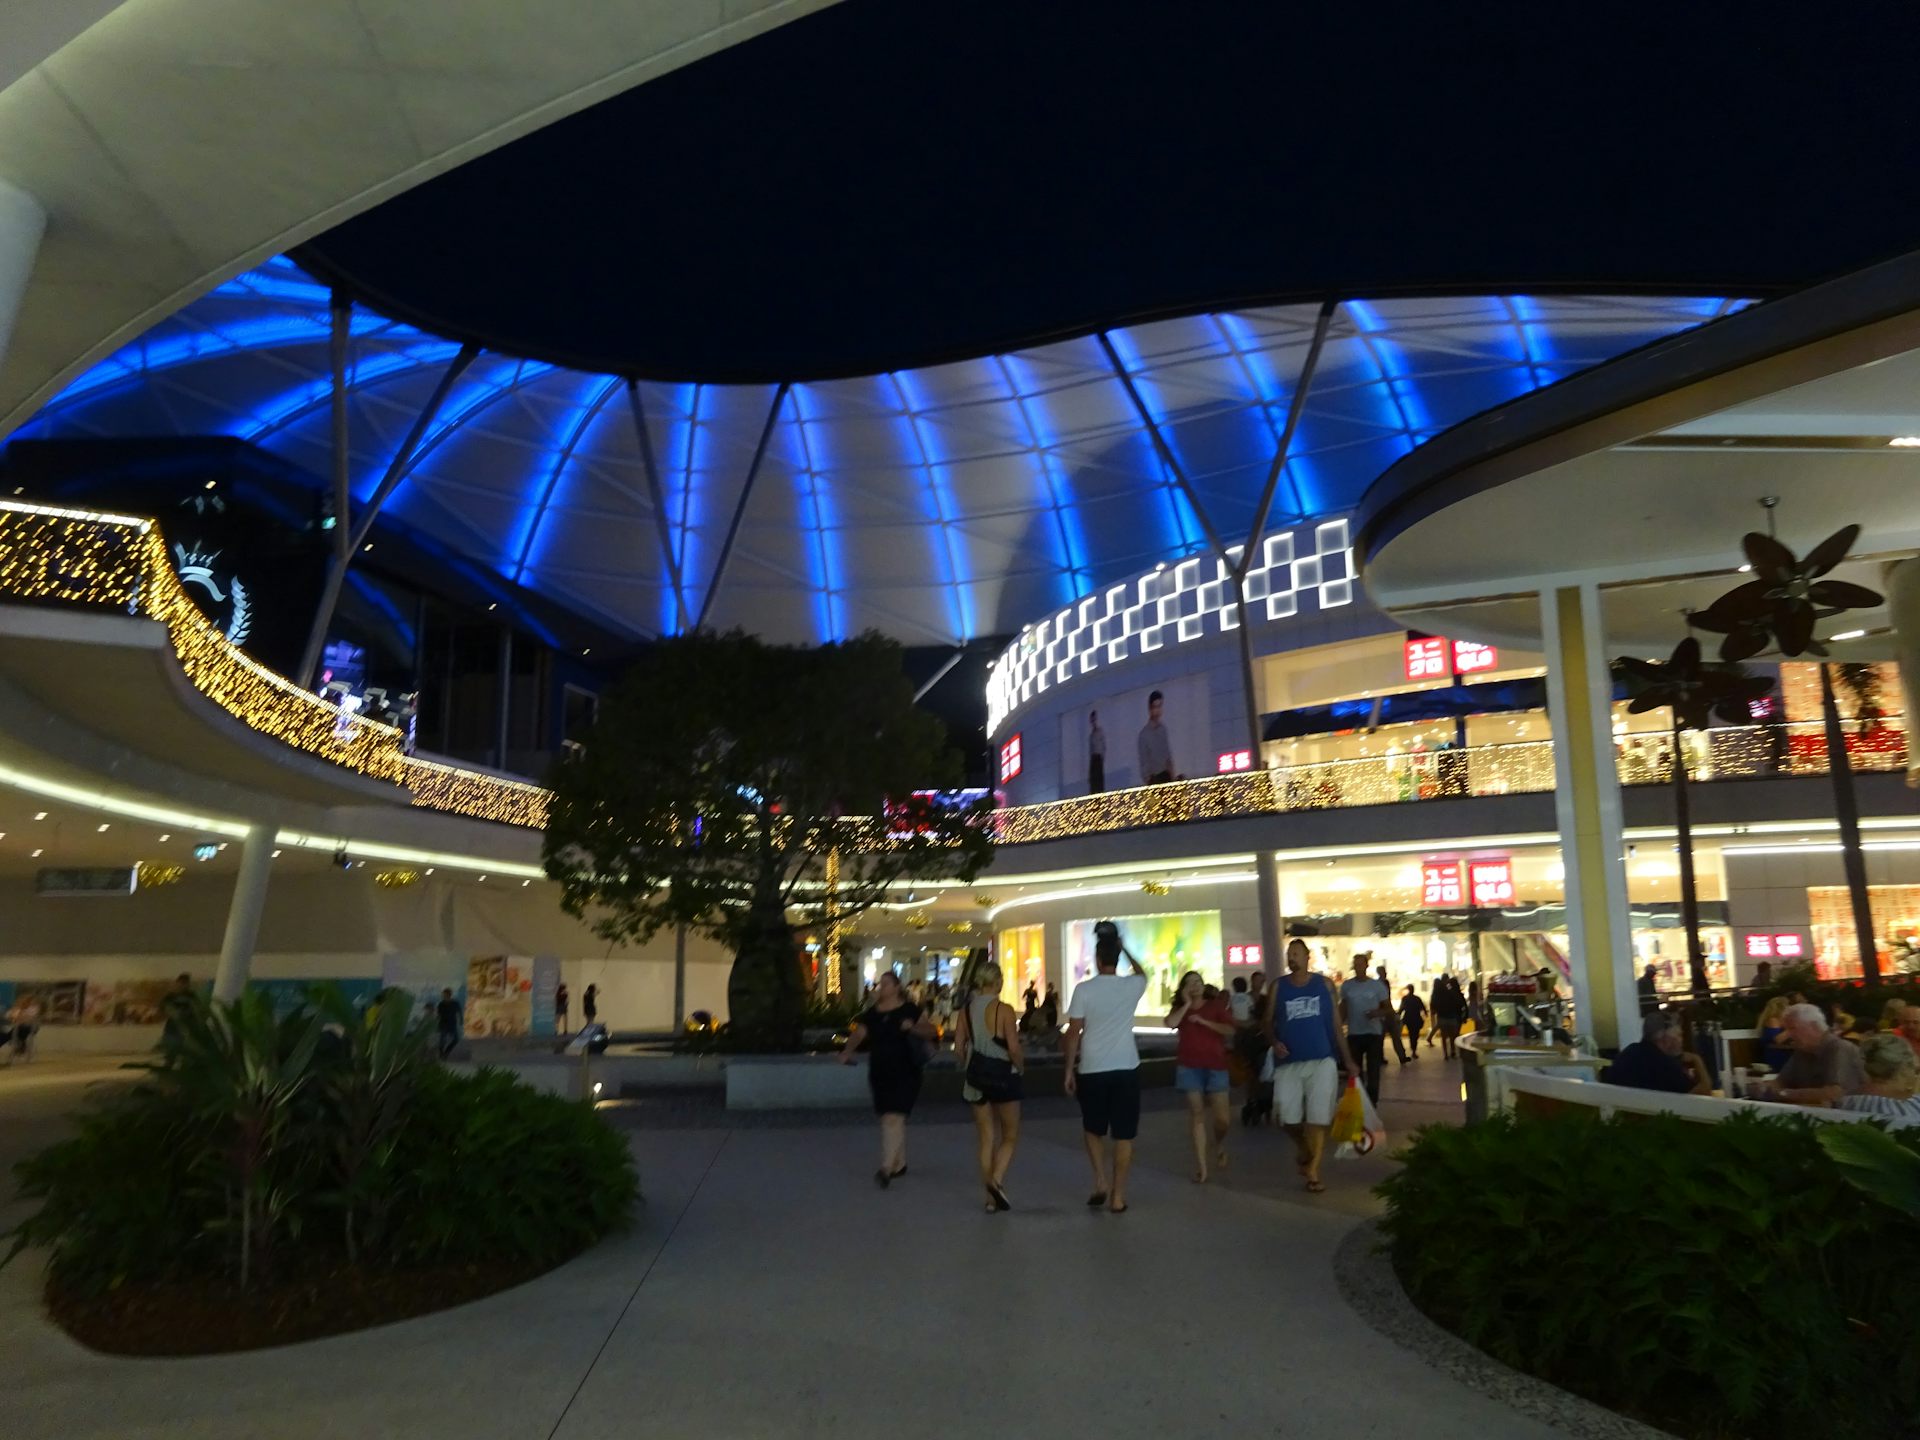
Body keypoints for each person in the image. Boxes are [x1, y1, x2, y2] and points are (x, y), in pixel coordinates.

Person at [1063, 921, 1148, 1213]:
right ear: (1117, 957)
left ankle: (1100, 1179)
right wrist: (1126, 950)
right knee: (1124, 1134)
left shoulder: (1083, 990)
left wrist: (1068, 1070)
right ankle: (1118, 1196)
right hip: (1127, 1067)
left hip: (1092, 1068)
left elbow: (1073, 1033)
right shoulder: (1132, 986)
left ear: (1097, 960)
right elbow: (1143, 973)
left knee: (1092, 1127)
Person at [1270, 938, 1354, 1194]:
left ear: (1308, 957)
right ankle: (1304, 1148)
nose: (1292, 958)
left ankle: (1313, 1171)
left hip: (1322, 1059)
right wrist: (1274, 1041)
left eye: (1297, 953)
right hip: (1289, 1062)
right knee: (1287, 1117)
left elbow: (1336, 1026)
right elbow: (1266, 1021)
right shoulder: (1278, 987)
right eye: (1289, 954)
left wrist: (1348, 1059)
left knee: (1318, 1117)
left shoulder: (1324, 985)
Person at [841, 971, 935, 1187]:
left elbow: (930, 1031)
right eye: (879, 984)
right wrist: (847, 1051)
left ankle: (886, 1168)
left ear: (896, 987)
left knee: (894, 1116)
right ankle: (899, 1163)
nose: (880, 988)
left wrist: (913, 1027)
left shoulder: (909, 1010)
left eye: (885, 984)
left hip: (906, 1071)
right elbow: (859, 1034)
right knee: (889, 1117)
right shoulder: (872, 1013)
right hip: (880, 1072)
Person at [955, 960, 1024, 1211]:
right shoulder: (1003, 1009)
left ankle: (990, 1199)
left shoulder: (966, 1011)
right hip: (1004, 1076)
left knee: (986, 1138)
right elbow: (1013, 1048)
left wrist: (969, 1063)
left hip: (976, 1079)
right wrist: (1021, 1066)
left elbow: (959, 1048)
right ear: (996, 982)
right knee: (1010, 1135)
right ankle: (996, 1181)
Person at [1167, 969, 1236, 1183]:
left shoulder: (1215, 1006)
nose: (1195, 985)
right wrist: (1186, 1004)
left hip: (1216, 1066)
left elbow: (1230, 1030)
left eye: (1198, 981)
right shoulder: (1180, 1009)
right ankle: (1202, 1166)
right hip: (1189, 1067)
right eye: (1190, 983)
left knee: (1222, 1120)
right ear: (1183, 988)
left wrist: (1205, 1022)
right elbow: (1170, 1023)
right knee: (1196, 1113)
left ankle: (1219, 1143)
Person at [1762, 1003, 1865, 1107]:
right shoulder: (1802, 1050)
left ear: (1814, 1026)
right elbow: (1781, 1082)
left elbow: (1835, 1094)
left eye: (1792, 1029)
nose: (1789, 1035)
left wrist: (1783, 1093)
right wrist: (1763, 1088)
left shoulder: (1840, 1049)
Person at [1605, 1011, 1710, 1095]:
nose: (1681, 1040)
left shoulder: (1629, 1052)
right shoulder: (1664, 1064)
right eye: (1679, 1035)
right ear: (1665, 1037)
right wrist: (1697, 1060)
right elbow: (1704, 1093)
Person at [1338, 953, 1392, 1104]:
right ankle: (1361, 1101)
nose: (1358, 968)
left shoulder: (1377, 986)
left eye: (1360, 964)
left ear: (1366, 966)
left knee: (1373, 1069)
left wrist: (1377, 1013)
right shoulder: (1347, 986)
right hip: (1354, 1033)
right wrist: (1338, 1026)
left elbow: (1389, 1009)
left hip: (1373, 1033)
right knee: (1356, 1070)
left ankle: (1372, 1101)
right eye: (1355, 965)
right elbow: (1343, 1007)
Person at [1836, 1034, 1920, 1122]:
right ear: (1904, 1070)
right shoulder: (1911, 1110)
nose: (1916, 1078)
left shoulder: (1842, 1103)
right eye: (1916, 1071)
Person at [1137, 690, 1174, 785]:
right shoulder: (1144, 735)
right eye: (1155, 707)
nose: (1157, 710)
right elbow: (1144, 763)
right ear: (1150, 709)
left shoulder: (1163, 729)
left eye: (1160, 706)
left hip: (1167, 776)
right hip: (1155, 779)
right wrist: (1149, 781)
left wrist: (1172, 775)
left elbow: (1167, 755)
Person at [1376, 964, 1409, 1064]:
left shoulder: (1381, 983)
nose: (1385, 973)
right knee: (1392, 1036)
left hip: (1385, 1013)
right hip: (1385, 1013)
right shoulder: (1380, 984)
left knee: (1389, 1036)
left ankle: (1400, 1056)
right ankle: (1400, 1056)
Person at [1431, 975, 1466, 1059]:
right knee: (1452, 1036)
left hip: (1441, 1016)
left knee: (1443, 1036)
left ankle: (1446, 1054)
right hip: (1451, 1016)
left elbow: (1434, 1006)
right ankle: (1453, 1051)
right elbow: (1457, 1003)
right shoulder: (1450, 992)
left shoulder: (1438, 994)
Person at [1756, 995, 1793, 1072]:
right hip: (1776, 1054)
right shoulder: (1772, 1020)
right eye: (1788, 1005)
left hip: (1785, 1052)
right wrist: (1792, 1029)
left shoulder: (1782, 1020)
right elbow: (1777, 1039)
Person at [1398, 985, 1427, 1055]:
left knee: (1411, 1034)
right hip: (1417, 1018)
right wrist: (1425, 1014)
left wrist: (1398, 1016)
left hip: (1408, 1019)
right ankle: (1414, 1049)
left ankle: (1413, 1049)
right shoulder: (1417, 998)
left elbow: (1401, 1009)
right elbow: (1422, 1007)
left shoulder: (1405, 998)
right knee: (1416, 1034)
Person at [435, 987, 462, 1059]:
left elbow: (459, 1012)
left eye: (445, 995)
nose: (443, 996)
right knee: (442, 1040)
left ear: (449, 995)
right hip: (443, 1024)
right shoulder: (441, 1004)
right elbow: (438, 1015)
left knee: (456, 1039)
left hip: (452, 1024)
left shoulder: (455, 1003)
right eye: (443, 995)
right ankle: (441, 1054)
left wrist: (461, 1020)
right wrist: (435, 1024)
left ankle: (446, 1052)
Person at [1088, 709, 1107, 793]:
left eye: (1094, 719)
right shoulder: (1091, 735)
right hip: (1093, 758)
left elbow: (1103, 746)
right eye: (1092, 720)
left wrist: (1102, 757)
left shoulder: (1100, 732)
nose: (1093, 721)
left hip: (1098, 757)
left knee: (1099, 781)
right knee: (1093, 781)